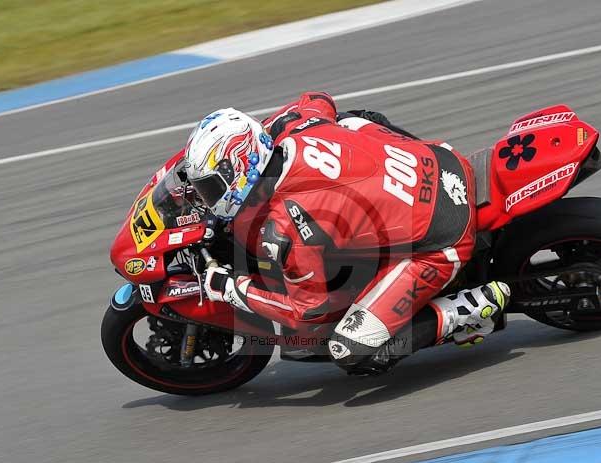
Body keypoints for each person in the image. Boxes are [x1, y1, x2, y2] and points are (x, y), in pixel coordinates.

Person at [184, 92, 510, 375]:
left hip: (441, 239)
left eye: (209, 187)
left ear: (241, 169)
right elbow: (318, 99)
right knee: (353, 119)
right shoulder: (291, 125)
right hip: (438, 162)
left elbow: (308, 310)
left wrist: (232, 289)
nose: (206, 198)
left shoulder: (287, 226)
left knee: (351, 350)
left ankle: (466, 312)